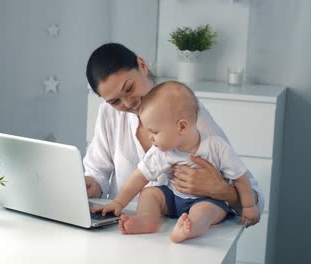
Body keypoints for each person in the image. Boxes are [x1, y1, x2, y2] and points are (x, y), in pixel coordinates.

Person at [84, 43, 264, 227]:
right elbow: (97, 171)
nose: (128, 103)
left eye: (129, 88)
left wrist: (224, 192)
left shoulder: (188, 116)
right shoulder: (109, 113)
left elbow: (255, 199)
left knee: (204, 211)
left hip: (181, 231)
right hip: (126, 225)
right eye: (115, 101)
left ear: (142, 66)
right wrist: (89, 184)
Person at [92, 81, 260, 243]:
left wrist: (249, 207)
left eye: (155, 132)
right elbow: (139, 177)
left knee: (205, 211)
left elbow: (240, 178)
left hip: (207, 200)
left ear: (181, 127)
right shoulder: (161, 151)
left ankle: (191, 228)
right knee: (150, 193)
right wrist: (118, 202)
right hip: (173, 198)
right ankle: (147, 220)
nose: (151, 137)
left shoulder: (216, 147)